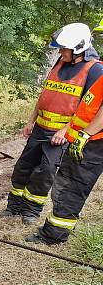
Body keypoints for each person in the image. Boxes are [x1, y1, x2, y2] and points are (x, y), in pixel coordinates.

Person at [1, 23, 103, 224]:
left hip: (61, 134)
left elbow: (87, 109)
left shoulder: (95, 71)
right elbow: (46, 95)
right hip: (40, 128)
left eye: (64, 48)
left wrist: (66, 131)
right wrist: (31, 120)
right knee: (23, 167)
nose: (60, 52)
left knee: (45, 172)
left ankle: (30, 211)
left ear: (78, 49)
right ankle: (14, 206)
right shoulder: (60, 63)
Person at [26, 20, 103, 245]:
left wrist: (86, 134)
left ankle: (54, 235)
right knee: (66, 184)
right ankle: (53, 230)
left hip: (94, 141)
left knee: (72, 187)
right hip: (83, 138)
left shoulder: (96, 68)